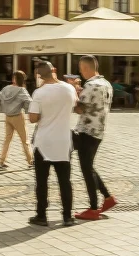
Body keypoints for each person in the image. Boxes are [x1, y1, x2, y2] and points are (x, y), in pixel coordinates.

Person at [27, 60, 77, 227]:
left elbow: (33, 118)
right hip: (63, 140)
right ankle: (67, 216)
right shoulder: (69, 88)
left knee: (42, 181)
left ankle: (41, 215)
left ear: (38, 75)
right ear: (54, 70)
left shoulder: (39, 93)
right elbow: (76, 107)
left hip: (44, 141)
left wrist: (44, 114)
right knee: (65, 180)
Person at [72, 55, 116, 221]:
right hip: (99, 130)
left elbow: (79, 109)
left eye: (80, 68)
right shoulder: (106, 83)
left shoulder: (90, 85)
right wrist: (78, 91)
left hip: (86, 130)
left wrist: (73, 92)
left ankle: (93, 207)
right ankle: (108, 198)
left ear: (85, 68)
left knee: (86, 169)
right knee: (89, 166)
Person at [0, 71, 33, 169]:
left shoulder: (6, 88)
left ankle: (2, 161)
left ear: (13, 79)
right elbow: (30, 102)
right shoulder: (22, 90)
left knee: (7, 140)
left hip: (8, 116)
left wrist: (5, 105)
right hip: (18, 116)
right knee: (25, 140)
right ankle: (30, 160)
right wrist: (23, 106)